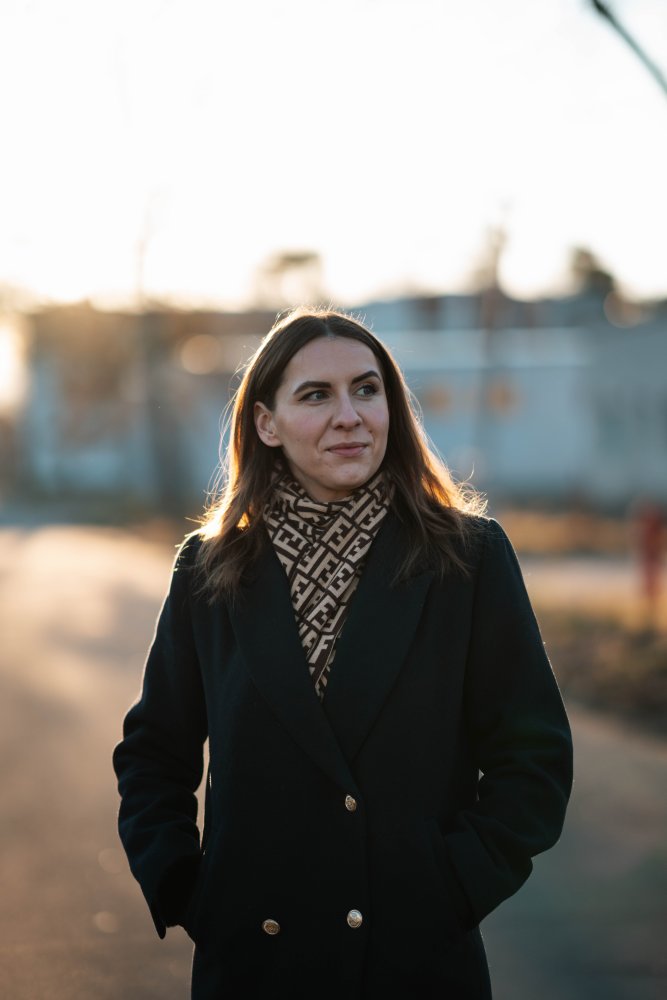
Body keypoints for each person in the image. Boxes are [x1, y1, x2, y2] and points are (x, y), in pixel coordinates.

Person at [113, 307, 573, 999]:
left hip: (413, 957)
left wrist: (454, 886)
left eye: (366, 389)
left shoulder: (466, 558)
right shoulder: (210, 570)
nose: (350, 416)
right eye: (315, 395)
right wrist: (186, 887)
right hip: (256, 959)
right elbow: (154, 753)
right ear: (266, 424)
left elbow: (533, 758)